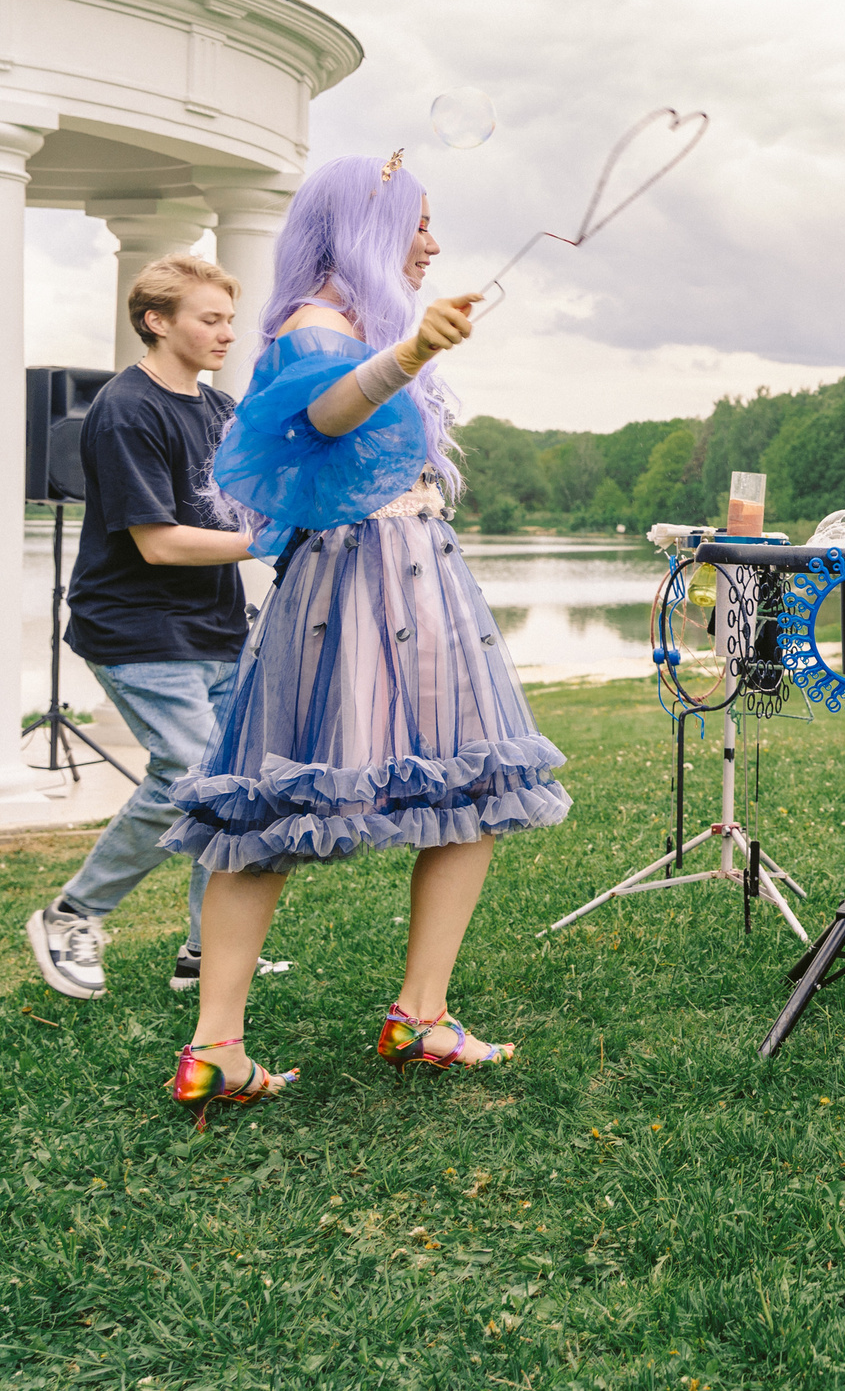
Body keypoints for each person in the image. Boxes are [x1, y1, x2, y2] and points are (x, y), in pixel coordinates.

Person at [158, 152, 571, 1116]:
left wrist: (412, 345)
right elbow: (329, 412)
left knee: (463, 787)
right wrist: (415, 351)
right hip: (369, 577)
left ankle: (381, 1019)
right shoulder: (316, 325)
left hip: (393, 573)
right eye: (417, 223)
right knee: (288, 806)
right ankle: (273, 1035)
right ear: (367, 226)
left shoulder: (350, 325)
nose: (431, 242)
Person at [22, 256, 292, 1000]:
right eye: (211, 319)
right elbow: (160, 541)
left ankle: (208, 952)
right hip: (135, 627)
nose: (227, 334)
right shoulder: (125, 409)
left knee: (229, 779)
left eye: (229, 320)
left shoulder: (217, 407)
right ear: (157, 321)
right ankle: (73, 912)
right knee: (189, 774)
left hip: (215, 626)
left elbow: (248, 500)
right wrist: (272, 541)